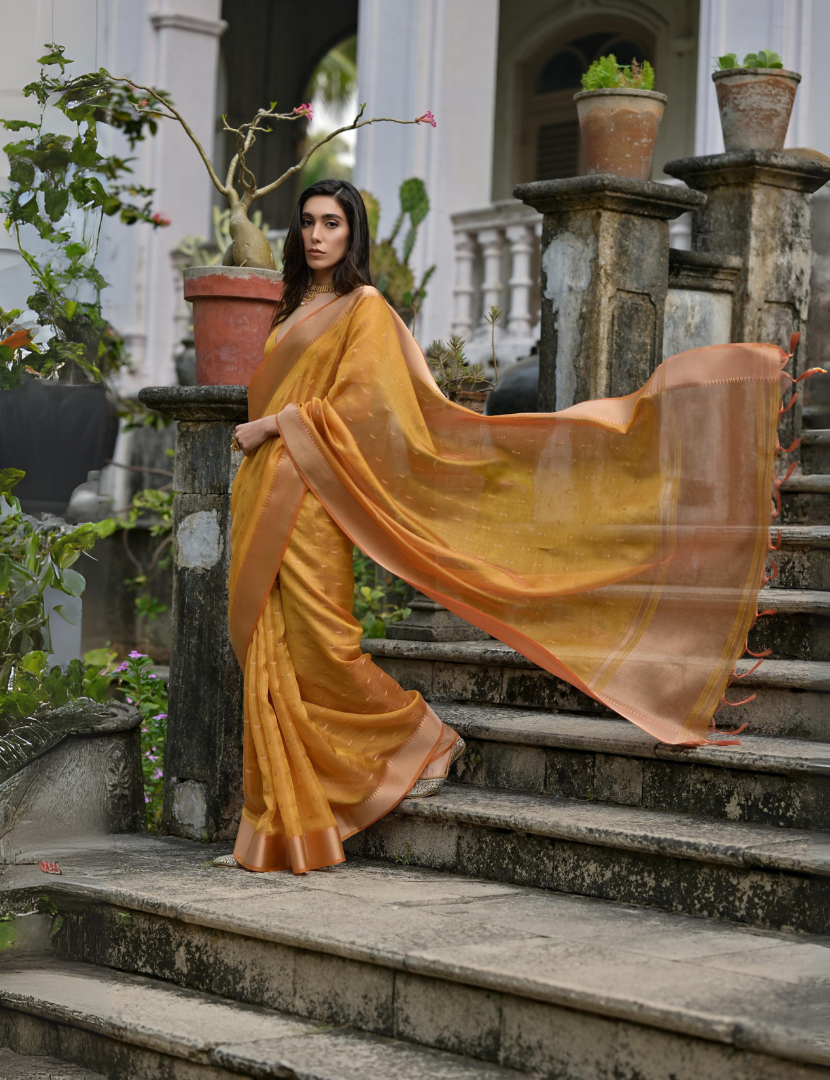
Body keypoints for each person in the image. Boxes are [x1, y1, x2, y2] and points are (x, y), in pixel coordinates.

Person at [217, 178, 786, 874]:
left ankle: (418, 738)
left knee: (323, 646)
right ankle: (288, 818)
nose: (315, 235)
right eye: (307, 222)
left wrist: (274, 425)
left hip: (308, 498)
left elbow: (367, 406)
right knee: (270, 656)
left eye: (330, 223)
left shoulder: (363, 307)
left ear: (351, 233)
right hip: (262, 492)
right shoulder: (292, 308)